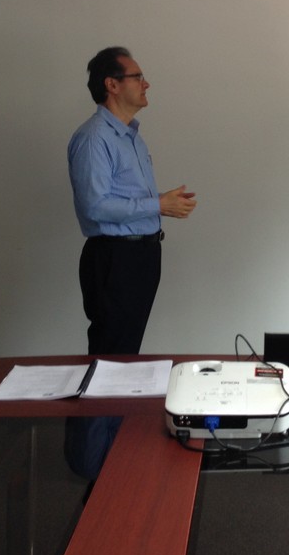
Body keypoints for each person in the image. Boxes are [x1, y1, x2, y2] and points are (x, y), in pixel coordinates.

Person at [68, 46, 196, 354]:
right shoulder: (94, 138)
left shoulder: (132, 138)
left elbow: (123, 199)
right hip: (115, 259)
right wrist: (158, 205)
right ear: (112, 84)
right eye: (137, 77)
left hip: (142, 256)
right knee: (113, 353)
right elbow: (94, 206)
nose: (146, 84)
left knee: (127, 351)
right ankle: (104, 390)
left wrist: (162, 203)